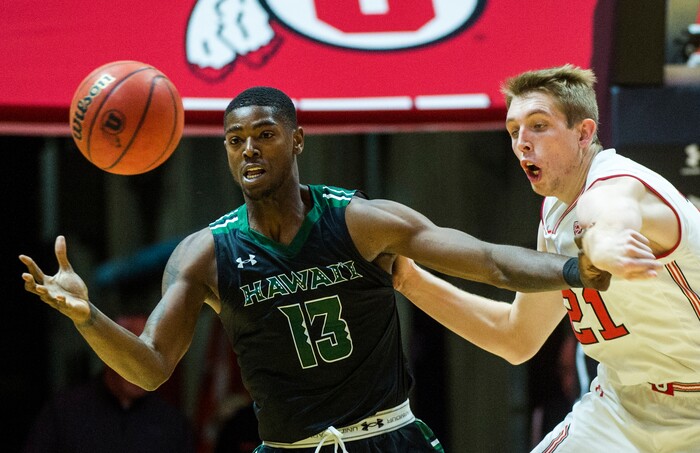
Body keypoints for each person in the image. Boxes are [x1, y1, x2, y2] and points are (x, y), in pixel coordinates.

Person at [19, 86, 651, 452]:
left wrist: (574, 268)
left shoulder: (359, 221)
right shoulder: (205, 254)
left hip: (390, 437)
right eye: (235, 141)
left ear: (297, 140)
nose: (249, 150)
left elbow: (486, 261)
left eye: (264, 134)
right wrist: (88, 316)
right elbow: (151, 366)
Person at [392, 64, 700, 452]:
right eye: (513, 130)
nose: (522, 141)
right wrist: (410, 280)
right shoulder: (554, 215)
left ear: (584, 133)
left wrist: (605, 247)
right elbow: (516, 337)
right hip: (623, 408)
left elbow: (607, 217)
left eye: (538, 125)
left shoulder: (619, 183)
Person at [23, 314, 196, 453]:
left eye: (149, 358)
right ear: (109, 353)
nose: (141, 369)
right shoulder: (64, 411)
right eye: (135, 356)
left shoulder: (171, 422)